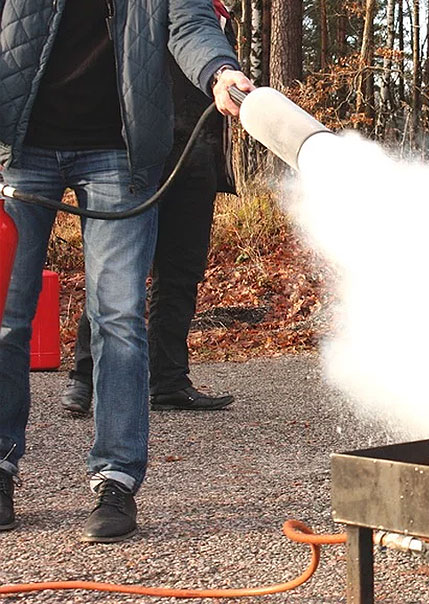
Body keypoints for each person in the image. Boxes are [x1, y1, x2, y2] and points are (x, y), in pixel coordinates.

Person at [0, 0, 253, 543]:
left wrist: (220, 70)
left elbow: (190, 22)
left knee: (118, 316)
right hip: (18, 149)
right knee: (5, 317)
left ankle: (115, 481)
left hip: (120, 152)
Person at [60, 2, 238, 416]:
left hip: (198, 159)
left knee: (180, 274)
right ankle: (84, 380)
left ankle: (169, 380)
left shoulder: (218, 16)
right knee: (116, 270)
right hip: (140, 156)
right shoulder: (154, 9)